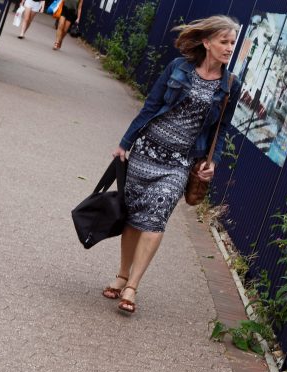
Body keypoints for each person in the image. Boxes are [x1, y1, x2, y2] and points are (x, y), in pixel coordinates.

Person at [102, 15, 241, 314]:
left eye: (232, 42)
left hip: (179, 163)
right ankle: (121, 274)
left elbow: (223, 127)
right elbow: (151, 105)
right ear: (206, 42)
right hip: (146, 152)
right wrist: (125, 143)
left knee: (156, 218)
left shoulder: (230, 85)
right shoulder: (178, 68)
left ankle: (132, 286)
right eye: (224, 41)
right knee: (133, 218)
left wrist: (212, 161)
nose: (230, 47)